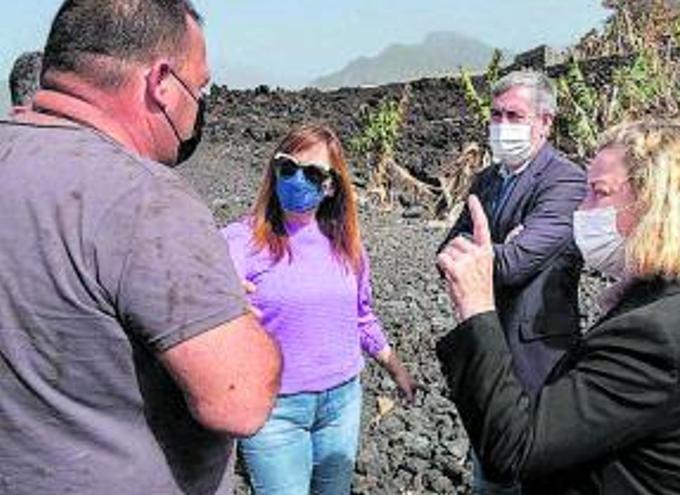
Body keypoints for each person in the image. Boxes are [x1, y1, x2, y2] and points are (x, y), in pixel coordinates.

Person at [0, 1, 281, 494]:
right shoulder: (142, 197)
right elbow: (240, 398)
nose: (200, 104)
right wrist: (230, 309)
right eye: (201, 87)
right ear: (162, 84)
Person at [436, 119, 680, 494]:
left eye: (598, 192)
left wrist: (477, 307)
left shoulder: (654, 332)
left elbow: (514, 448)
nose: (582, 208)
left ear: (655, 206)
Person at [223, 123, 418, 495]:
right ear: (274, 172)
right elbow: (205, 275)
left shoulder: (348, 249)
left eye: (312, 172)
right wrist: (220, 289)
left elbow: (362, 317)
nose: (297, 179)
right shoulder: (243, 240)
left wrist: (397, 370)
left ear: (330, 186)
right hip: (275, 411)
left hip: (342, 403)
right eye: (287, 167)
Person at [440, 69, 587, 493]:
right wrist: (497, 246)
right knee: (489, 467)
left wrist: (487, 252)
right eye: (496, 115)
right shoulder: (487, 180)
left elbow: (514, 264)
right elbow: (445, 254)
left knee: (532, 471)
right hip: (484, 344)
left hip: (537, 357)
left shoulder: (565, 180)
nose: (502, 126)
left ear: (545, 122)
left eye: (514, 116)